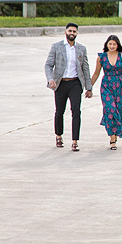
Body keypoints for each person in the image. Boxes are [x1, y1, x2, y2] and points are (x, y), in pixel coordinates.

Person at [44, 23, 93, 151]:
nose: (72, 33)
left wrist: (89, 87)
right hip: (60, 83)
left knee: (76, 111)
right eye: (70, 31)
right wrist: (50, 79)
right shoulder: (57, 47)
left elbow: (85, 68)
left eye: (74, 31)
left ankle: (75, 141)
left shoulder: (81, 48)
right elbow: (48, 65)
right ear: (65, 31)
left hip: (75, 83)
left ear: (77, 33)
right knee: (60, 111)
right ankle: (59, 135)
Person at [90, 35, 122, 150]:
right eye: (110, 44)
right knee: (110, 109)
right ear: (107, 45)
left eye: (114, 44)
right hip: (106, 86)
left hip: (120, 86)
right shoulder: (101, 57)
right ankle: (112, 138)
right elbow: (96, 73)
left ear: (118, 45)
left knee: (119, 111)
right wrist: (89, 87)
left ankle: (116, 133)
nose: (112, 46)